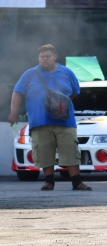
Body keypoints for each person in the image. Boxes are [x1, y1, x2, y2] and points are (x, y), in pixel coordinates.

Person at [7, 44, 91, 191]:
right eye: (42, 57)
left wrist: (59, 103)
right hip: (39, 121)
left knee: (70, 150)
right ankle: (49, 182)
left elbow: (75, 92)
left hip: (65, 121)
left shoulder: (67, 72)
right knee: (44, 152)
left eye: (48, 56)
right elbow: (17, 92)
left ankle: (77, 183)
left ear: (55, 57)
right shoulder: (29, 74)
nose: (44, 59)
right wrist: (14, 113)